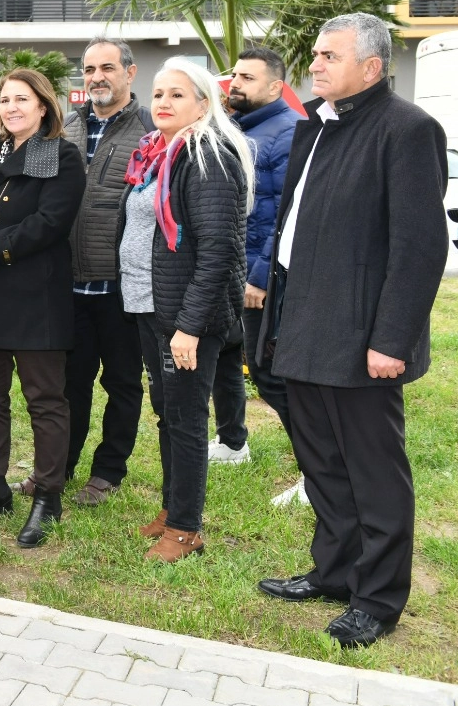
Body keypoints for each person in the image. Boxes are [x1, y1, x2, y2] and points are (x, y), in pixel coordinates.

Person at [256, 13, 449, 649]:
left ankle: (379, 598)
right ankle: (335, 573)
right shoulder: (314, 123)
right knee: (321, 461)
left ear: (371, 66)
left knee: (373, 470)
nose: (314, 64)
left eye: (328, 56)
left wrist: (391, 339)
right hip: (301, 319)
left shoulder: (409, 130)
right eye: (315, 53)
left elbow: (421, 246)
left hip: (362, 332)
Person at [119, 60, 252, 563]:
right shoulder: (159, 154)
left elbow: (219, 250)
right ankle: (173, 509)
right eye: (157, 94)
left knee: (188, 418)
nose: (163, 103)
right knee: (168, 414)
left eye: (177, 94)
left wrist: (189, 327)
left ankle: (187, 528)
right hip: (149, 306)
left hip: (184, 317)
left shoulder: (208, 155)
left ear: (203, 103)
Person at [0, 69, 85, 548]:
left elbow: (49, 224)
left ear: (43, 106)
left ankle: (48, 496)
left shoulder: (62, 156)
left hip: (35, 299)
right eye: (5, 100)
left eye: (22, 99)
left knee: (45, 402)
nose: (11, 107)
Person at [210, 48, 306, 502]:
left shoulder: (287, 133)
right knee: (227, 357)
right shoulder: (240, 127)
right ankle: (233, 442)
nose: (235, 84)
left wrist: (261, 277)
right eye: (234, 76)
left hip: (260, 277)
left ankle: (317, 474)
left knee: (271, 375)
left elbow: (287, 215)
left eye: (247, 78)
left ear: (275, 87)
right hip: (231, 270)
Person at [59, 37, 150, 507]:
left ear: (129, 73)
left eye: (108, 67)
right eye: (89, 68)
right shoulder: (65, 129)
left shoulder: (151, 133)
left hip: (121, 288)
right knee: (69, 383)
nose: (97, 76)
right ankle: (60, 467)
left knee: (121, 383)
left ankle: (108, 471)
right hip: (68, 287)